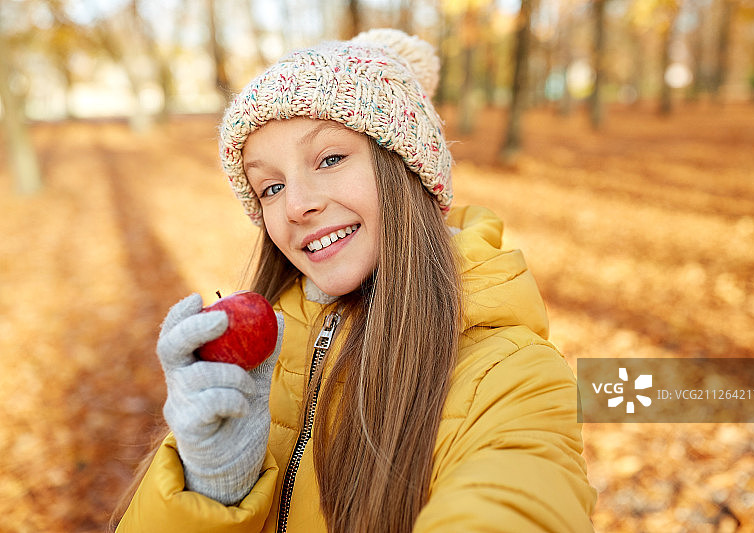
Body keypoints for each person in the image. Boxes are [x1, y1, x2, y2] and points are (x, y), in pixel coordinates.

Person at [114, 28, 596, 532]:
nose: (297, 205)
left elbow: (519, 499)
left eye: (330, 159)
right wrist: (209, 487)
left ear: (406, 168)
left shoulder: (511, 378)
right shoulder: (257, 368)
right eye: (271, 187)